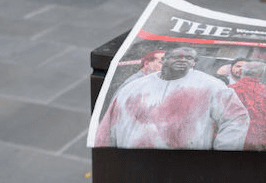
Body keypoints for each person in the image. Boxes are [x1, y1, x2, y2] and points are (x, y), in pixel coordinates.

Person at [94, 47, 249, 150]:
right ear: (164, 60)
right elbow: (107, 130)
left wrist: (220, 155)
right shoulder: (134, 87)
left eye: (188, 58)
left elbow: (237, 119)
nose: (183, 60)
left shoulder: (211, 85)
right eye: (177, 56)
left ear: (194, 63)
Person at [229, 61, 266, 151]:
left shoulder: (229, 90)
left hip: (231, 142)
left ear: (242, 72)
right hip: (260, 145)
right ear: (261, 74)